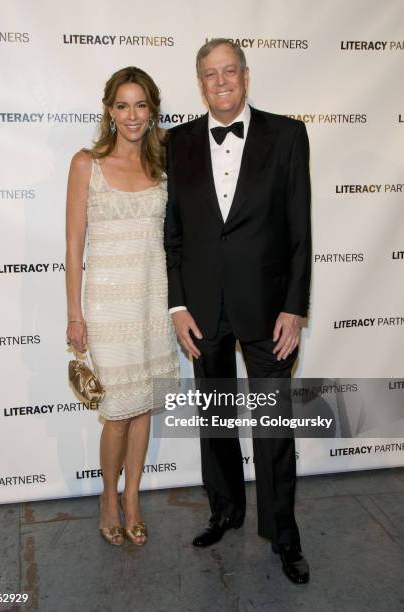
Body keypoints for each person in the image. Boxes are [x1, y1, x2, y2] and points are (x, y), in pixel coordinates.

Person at [164, 39, 311, 584]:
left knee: (274, 426)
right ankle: (225, 510)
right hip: (203, 310)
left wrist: (295, 308)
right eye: (209, 74)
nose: (220, 81)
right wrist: (178, 304)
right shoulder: (176, 142)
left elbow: (300, 231)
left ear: (246, 77)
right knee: (216, 420)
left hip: (270, 309)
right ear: (199, 82)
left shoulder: (288, 135)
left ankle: (284, 534)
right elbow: (173, 234)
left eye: (229, 71)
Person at [66, 67, 179, 547]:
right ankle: (107, 497)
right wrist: (75, 315)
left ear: (152, 109)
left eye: (140, 105)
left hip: (153, 301)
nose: (131, 115)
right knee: (116, 412)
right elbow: (74, 247)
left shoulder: (163, 166)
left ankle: (132, 498)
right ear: (109, 110)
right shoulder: (85, 163)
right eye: (122, 105)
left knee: (144, 408)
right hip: (108, 308)